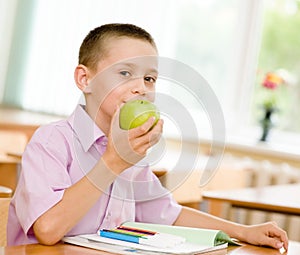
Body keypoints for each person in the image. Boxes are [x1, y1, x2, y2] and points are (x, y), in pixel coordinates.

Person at [7, 23, 288, 251]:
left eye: (149, 79)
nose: (141, 87)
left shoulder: (131, 155)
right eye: (125, 73)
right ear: (85, 79)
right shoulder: (51, 142)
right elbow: (47, 229)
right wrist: (114, 162)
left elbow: (168, 214)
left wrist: (242, 230)